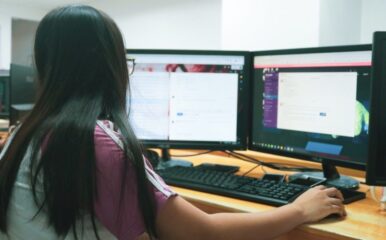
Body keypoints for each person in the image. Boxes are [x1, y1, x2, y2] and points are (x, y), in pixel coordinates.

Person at [0, 5, 346, 240]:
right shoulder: (96, 144)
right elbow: (203, 232)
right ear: (111, 66)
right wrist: (298, 210)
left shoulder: (22, 135)